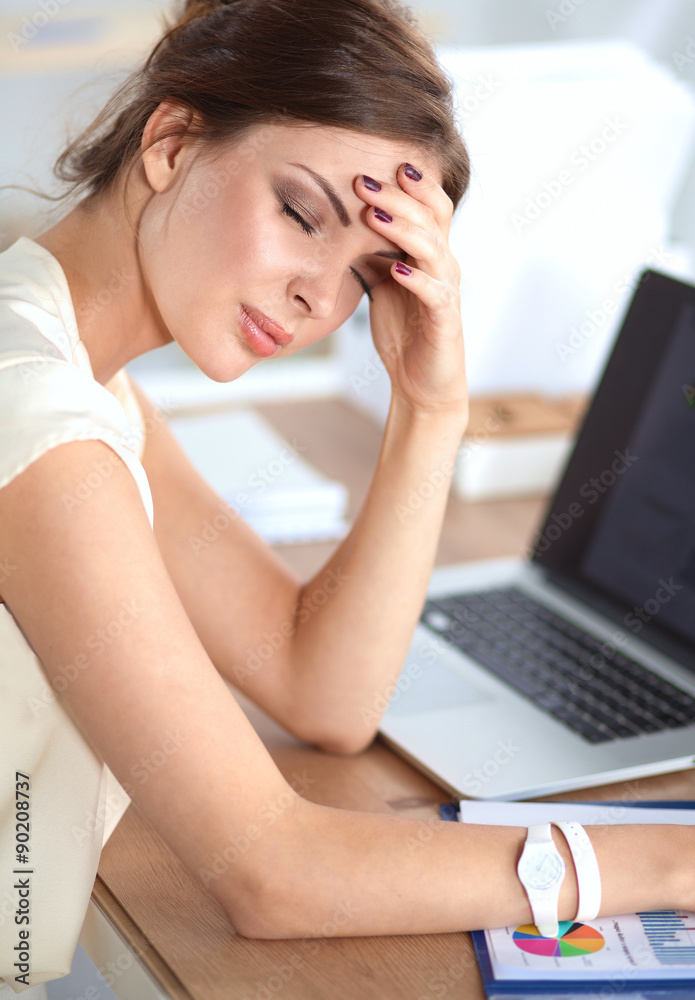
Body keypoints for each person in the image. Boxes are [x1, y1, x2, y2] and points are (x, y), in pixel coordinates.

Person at [0, 0, 693, 992]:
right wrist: (671, 860)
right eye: (298, 212)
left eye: (365, 275)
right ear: (171, 138)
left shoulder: (80, 376)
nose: (319, 303)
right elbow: (271, 871)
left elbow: (320, 693)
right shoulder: (39, 417)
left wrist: (429, 407)